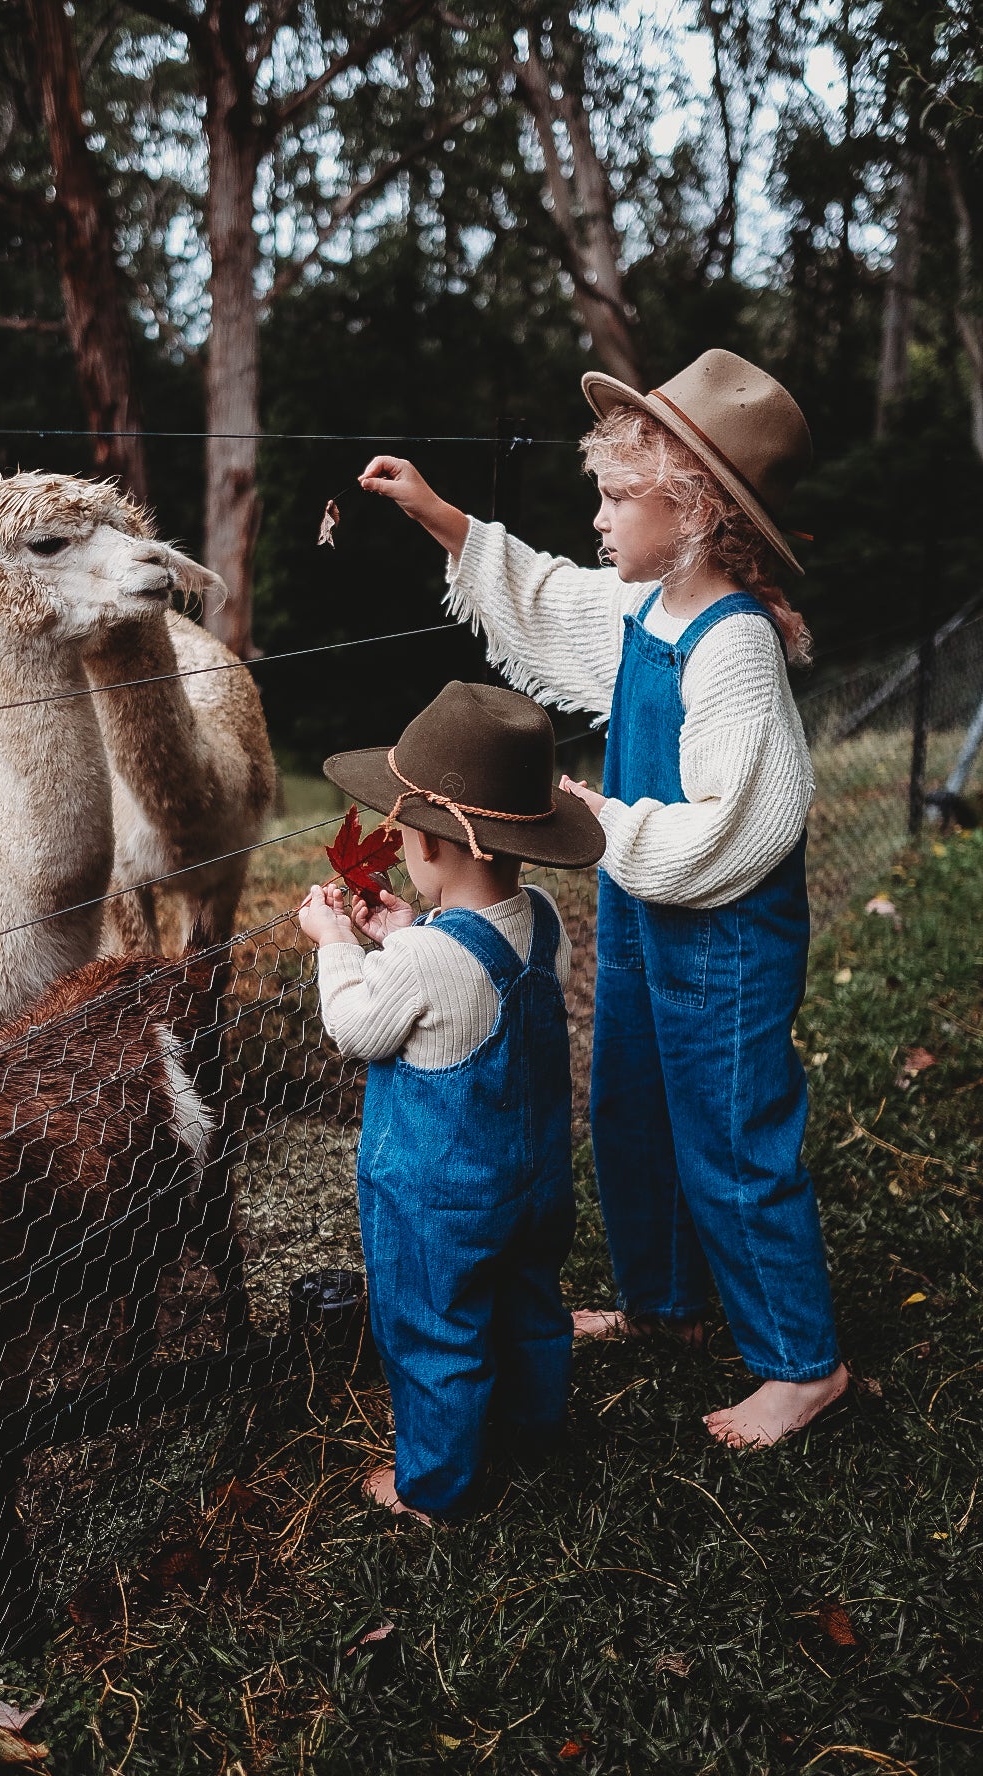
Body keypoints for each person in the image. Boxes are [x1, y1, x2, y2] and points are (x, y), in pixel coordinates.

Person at [356, 348, 850, 1448]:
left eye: (620, 496)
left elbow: (739, 824)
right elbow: (549, 602)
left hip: (721, 932)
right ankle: (664, 1301)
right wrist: (440, 516)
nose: (598, 516)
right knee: (629, 1103)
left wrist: (608, 821)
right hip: (641, 914)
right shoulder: (652, 604)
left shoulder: (732, 651)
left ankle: (797, 1361)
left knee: (730, 1136)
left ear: (701, 511)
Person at [298, 681, 605, 1521]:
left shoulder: (425, 963)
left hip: (437, 1203)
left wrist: (336, 946)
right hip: (535, 1181)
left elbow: (357, 1027)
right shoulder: (542, 919)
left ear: (436, 845)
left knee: (435, 1334)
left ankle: (434, 1486)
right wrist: (405, 934)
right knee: (528, 1305)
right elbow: (473, 983)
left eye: (401, 831)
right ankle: (533, 1426)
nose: (395, 844)